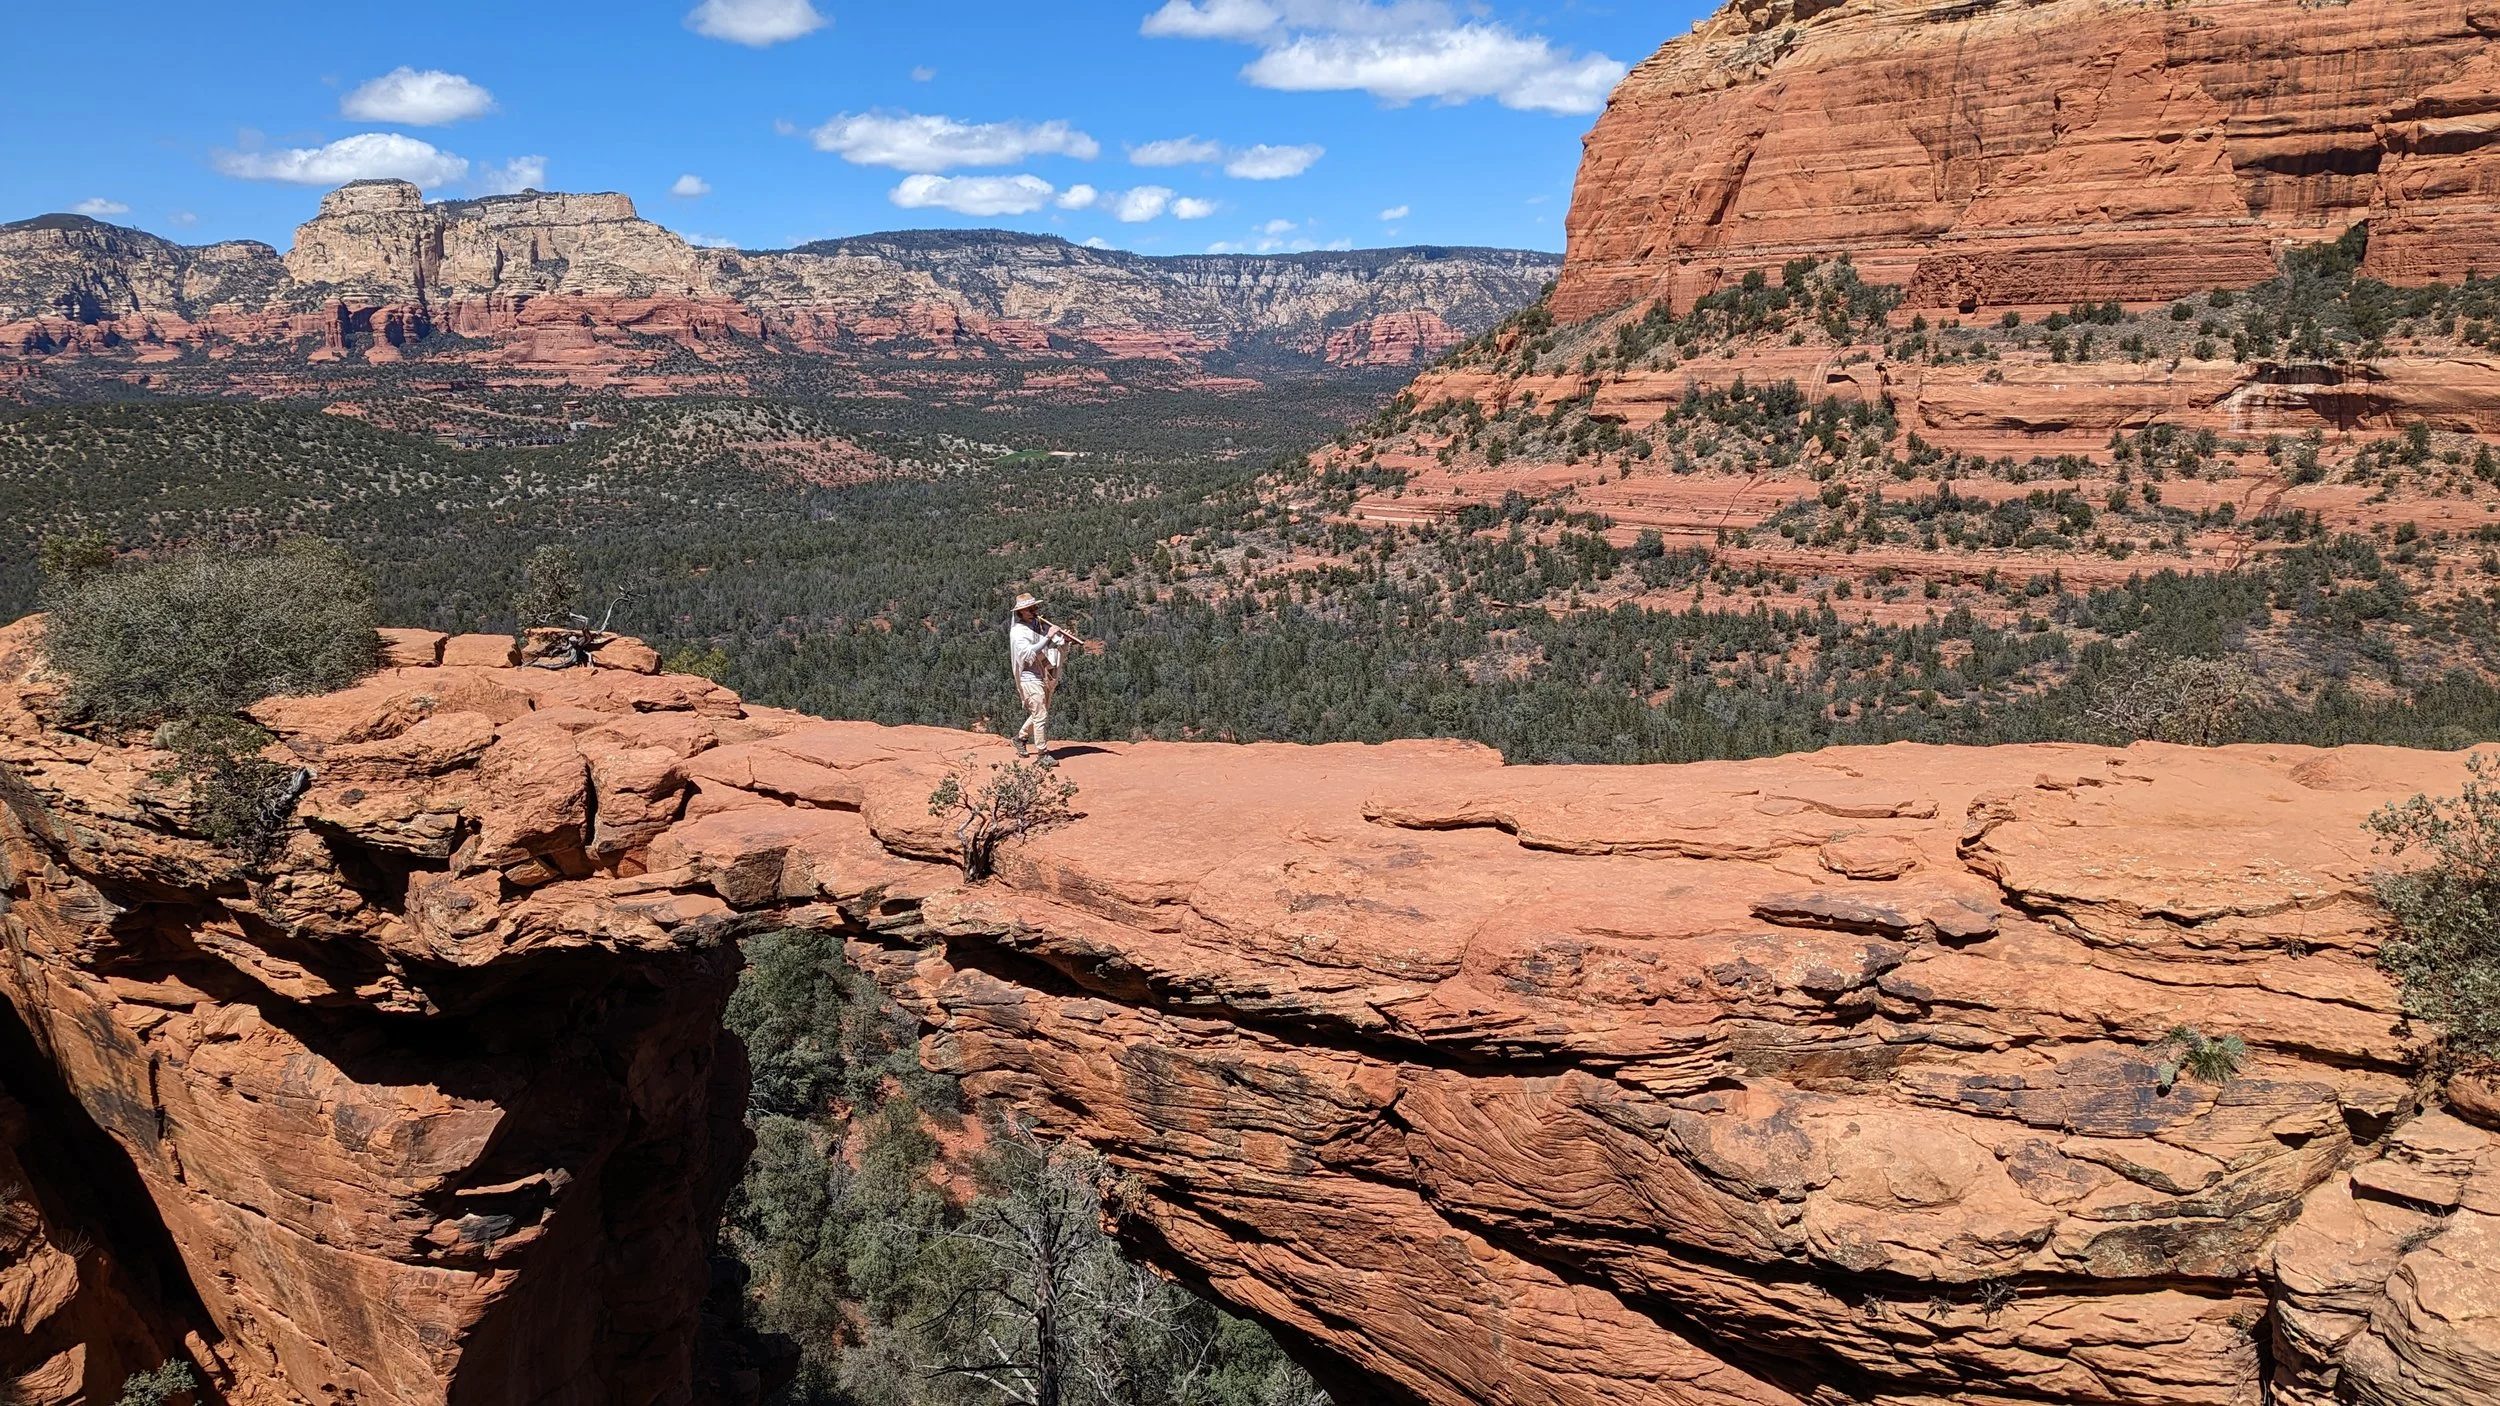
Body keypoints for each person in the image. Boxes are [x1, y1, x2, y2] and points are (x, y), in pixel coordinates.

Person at [1008, 593, 1070, 758]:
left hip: (1044, 673)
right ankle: (1042, 754)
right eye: (1029, 609)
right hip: (1029, 677)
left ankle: (1020, 738)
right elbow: (1029, 652)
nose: (1033, 611)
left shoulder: (1037, 624)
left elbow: (1047, 645)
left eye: (1034, 607)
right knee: (1041, 714)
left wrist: (1061, 640)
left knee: (1040, 712)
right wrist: (1049, 636)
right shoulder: (1017, 632)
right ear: (1020, 612)